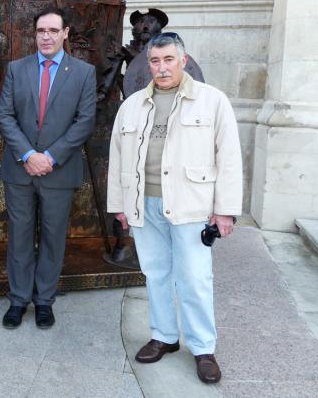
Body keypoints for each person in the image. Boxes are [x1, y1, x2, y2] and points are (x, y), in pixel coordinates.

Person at [107, 32, 243, 384]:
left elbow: (228, 158)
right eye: (155, 61)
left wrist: (225, 210)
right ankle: (164, 336)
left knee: (195, 278)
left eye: (169, 60)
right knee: (156, 273)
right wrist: (120, 205)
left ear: (183, 60)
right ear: (148, 63)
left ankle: (202, 348)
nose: (162, 67)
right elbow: (117, 157)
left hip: (191, 206)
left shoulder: (212, 101)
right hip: (144, 204)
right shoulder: (132, 104)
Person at [0, 7, 96, 329]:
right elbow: (6, 116)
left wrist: (50, 157)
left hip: (59, 171)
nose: (46, 36)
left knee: (53, 238)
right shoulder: (17, 69)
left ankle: (44, 301)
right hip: (20, 170)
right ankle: (18, 300)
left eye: (53, 30)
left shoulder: (83, 73)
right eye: (41, 30)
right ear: (34, 33)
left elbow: (85, 121)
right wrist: (28, 154)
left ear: (65, 33)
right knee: (20, 237)